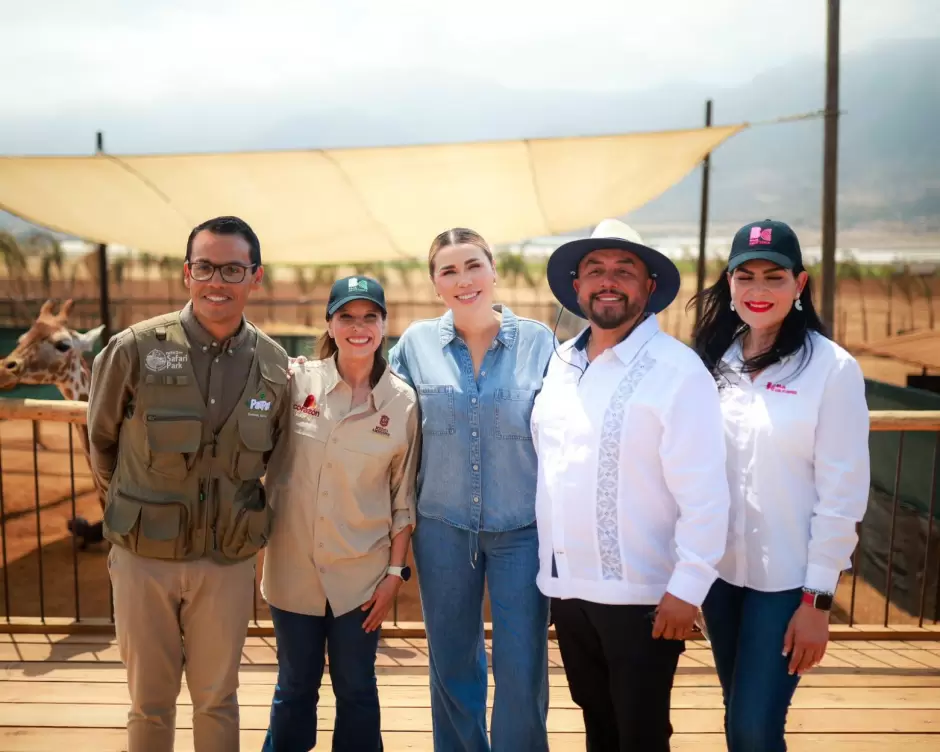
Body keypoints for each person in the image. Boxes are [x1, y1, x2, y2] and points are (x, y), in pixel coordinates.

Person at [87, 215, 290, 752]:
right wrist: (135, 512)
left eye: (231, 269)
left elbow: (276, 456)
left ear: (255, 277)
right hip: (143, 559)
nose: (217, 281)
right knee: (149, 704)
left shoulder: (274, 366)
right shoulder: (135, 349)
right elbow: (101, 440)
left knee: (218, 699)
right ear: (187, 274)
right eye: (205, 267)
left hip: (225, 563)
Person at [531, 218, 732, 752]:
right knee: (597, 720)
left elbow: (706, 493)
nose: (608, 281)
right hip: (569, 589)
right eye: (595, 270)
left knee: (641, 731)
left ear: (648, 288)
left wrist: (687, 588)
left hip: (644, 594)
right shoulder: (561, 364)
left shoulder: (678, 371)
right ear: (577, 287)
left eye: (625, 270)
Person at [689, 219, 871, 751]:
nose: (759, 290)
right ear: (729, 284)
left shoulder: (832, 369)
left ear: (801, 284)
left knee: (753, 726)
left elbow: (843, 493)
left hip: (788, 584)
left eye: (774, 277)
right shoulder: (712, 362)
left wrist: (817, 602)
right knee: (741, 718)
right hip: (721, 577)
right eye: (746, 277)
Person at [388, 228, 555, 751]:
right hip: (442, 528)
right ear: (435, 283)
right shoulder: (414, 345)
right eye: (449, 271)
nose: (463, 280)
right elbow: (383, 416)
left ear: (493, 270)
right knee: (453, 661)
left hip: (521, 530)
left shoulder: (538, 342)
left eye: (472, 266)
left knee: (522, 665)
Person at [259, 275, 421, 752]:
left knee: (356, 687)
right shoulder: (295, 381)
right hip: (293, 571)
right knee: (294, 686)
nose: (358, 327)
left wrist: (394, 573)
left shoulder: (403, 402)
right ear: (329, 324)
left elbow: (402, 498)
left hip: (362, 579)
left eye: (370, 316)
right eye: (346, 316)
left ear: (385, 325)